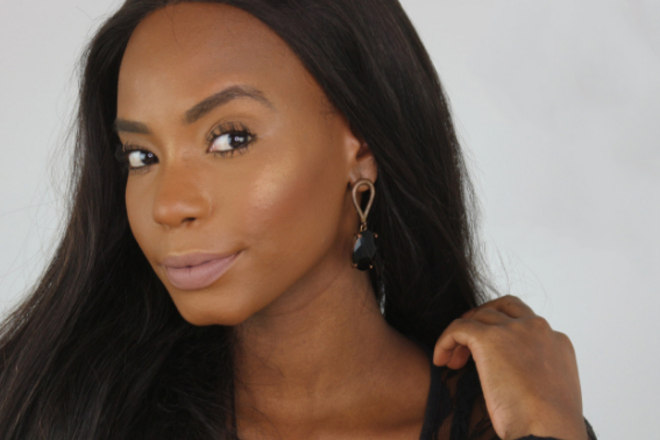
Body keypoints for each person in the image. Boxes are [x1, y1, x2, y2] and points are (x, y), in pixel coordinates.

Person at [0, 1, 596, 439]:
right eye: (141, 157)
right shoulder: (51, 410)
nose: (168, 205)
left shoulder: (508, 422)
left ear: (362, 146)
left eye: (230, 138)